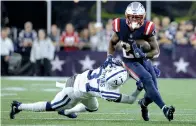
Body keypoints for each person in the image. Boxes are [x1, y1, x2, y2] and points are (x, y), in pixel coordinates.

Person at [106, 2, 175, 121]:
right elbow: (112, 42)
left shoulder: (147, 27)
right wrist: (109, 57)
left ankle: (143, 103)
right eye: (131, 17)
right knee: (147, 78)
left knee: (153, 91)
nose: (133, 20)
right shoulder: (120, 25)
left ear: (142, 17)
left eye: (137, 17)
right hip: (129, 62)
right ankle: (164, 108)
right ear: (126, 16)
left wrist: (145, 54)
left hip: (144, 60)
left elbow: (156, 51)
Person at [10, 61, 142, 119]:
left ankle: (67, 111)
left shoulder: (109, 66)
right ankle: (19, 106)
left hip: (85, 88)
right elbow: (131, 100)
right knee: (52, 106)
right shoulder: (108, 92)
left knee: (93, 107)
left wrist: (136, 77)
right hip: (73, 89)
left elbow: (125, 66)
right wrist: (138, 89)